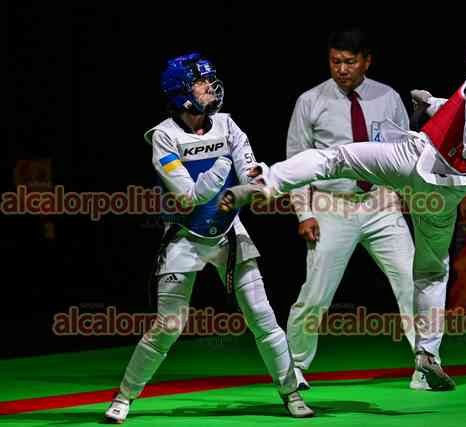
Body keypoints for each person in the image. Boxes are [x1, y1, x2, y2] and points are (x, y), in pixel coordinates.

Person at [220, 22, 466, 391]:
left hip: (415, 164)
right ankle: (428, 357)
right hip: (447, 189)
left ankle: (265, 181)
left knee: (336, 158)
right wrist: (435, 105)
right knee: (432, 271)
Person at [104, 53, 314, 423]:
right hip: (185, 237)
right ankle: (125, 396)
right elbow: (190, 196)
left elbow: (252, 179)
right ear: (181, 93)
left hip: (231, 233)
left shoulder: (229, 125)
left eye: (210, 79)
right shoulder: (164, 136)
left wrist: (251, 186)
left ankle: (290, 392)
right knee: (168, 326)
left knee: (262, 317)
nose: (210, 87)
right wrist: (222, 166)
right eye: (201, 83)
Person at [282, 27, 423, 391]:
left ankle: (427, 363)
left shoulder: (387, 97)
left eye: (349, 62)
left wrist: (403, 196)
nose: (341, 69)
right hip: (331, 205)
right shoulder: (310, 101)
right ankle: (293, 369)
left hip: (381, 203)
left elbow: (403, 152)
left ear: (366, 61)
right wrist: (304, 213)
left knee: (412, 281)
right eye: (335, 62)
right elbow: (296, 162)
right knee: (315, 294)